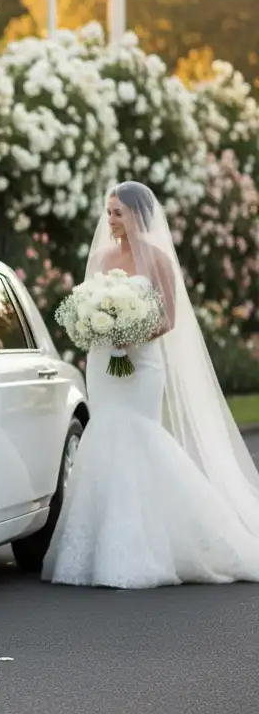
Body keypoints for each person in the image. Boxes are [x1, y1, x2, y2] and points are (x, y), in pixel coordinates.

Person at [42, 180, 259, 589]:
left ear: (137, 215)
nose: (110, 220)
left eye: (117, 212)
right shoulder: (103, 257)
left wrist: (132, 336)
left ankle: (157, 546)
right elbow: (86, 309)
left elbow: (169, 318)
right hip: (105, 363)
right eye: (108, 212)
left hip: (142, 364)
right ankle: (97, 549)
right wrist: (96, 331)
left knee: (140, 437)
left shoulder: (158, 258)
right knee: (105, 436)